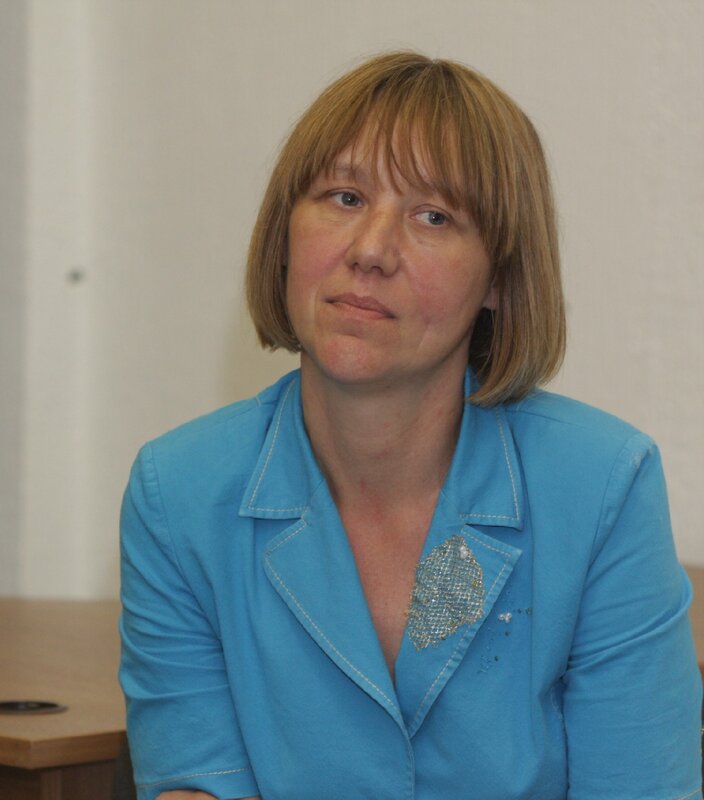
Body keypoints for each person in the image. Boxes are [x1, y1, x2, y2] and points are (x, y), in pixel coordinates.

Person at [118, 51, 702, 800]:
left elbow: (639, 785)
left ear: (499, 279)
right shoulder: (179, 493)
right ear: (285, 231)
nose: (370, 251)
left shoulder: (600, 487)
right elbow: (197, 785)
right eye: (344, 196)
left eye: (434, 216)